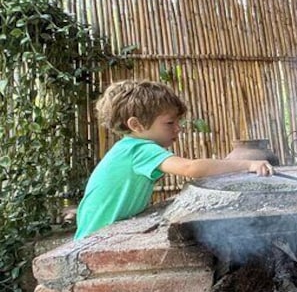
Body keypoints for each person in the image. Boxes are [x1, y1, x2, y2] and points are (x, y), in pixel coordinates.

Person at [75, 80, 274, 239]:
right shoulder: (139, 149)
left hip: (96, 232)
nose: (178, 128)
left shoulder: (127, 148)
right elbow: (190, 168)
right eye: (170, 122)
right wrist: (248, 164)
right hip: (96, 237)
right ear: (136, 125)